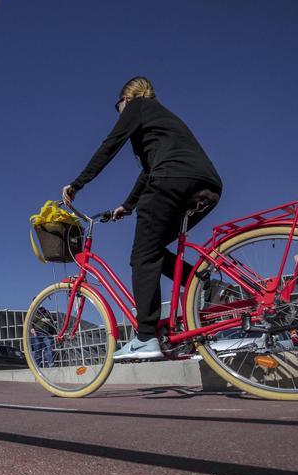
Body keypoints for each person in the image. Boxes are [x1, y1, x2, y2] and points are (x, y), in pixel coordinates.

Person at [63, 76, 223, 360]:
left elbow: (111, 144)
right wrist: (127, 205)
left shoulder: (138, 106)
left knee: (141, 257)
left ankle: (146, 336)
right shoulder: (162, 119)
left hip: (171, 180)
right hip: (205, 184)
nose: (119, 111)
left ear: (127, 97)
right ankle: (206, 283)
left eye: (117, 106)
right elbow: (149, 171)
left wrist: (78, 184)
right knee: (153, 251)